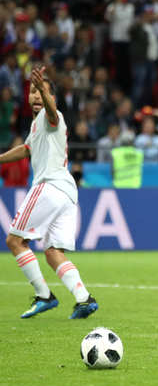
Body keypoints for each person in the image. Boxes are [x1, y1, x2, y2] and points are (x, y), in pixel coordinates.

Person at [0, 66, 97, 319]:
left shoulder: (51, 116)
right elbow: (25, 150)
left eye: (38, 91)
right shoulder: (36, 126)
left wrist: (44, 90)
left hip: (49, 185)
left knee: (15, 241)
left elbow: (52, 112)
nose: (33, 96)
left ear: (48, 95)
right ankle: (84, 299)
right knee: (53, 252)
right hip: (67, 191)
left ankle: (44, 295)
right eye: (31, 92)